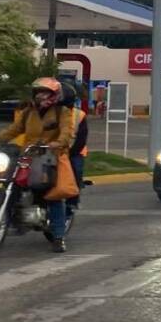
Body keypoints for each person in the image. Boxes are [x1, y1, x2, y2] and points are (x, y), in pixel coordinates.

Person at [0, 77, 76, 254]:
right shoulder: (29, 112)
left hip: (48, 157)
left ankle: (58, 237)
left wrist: (59, 143)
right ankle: (10, 217)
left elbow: (67, 132)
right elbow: (14, 129)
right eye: (38, 92)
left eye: (45, 93)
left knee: (52, 196)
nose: (40, 96)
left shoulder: (62, 112)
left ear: (54, 95)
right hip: (27, 155)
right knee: (9, 183)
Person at [60, 82, 89, 225]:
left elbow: (81, 139)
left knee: (75, 171)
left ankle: (73, 201)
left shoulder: (79, 115)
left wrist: (70, 153)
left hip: (74, 151)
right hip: (54, 151)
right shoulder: (49, 113)